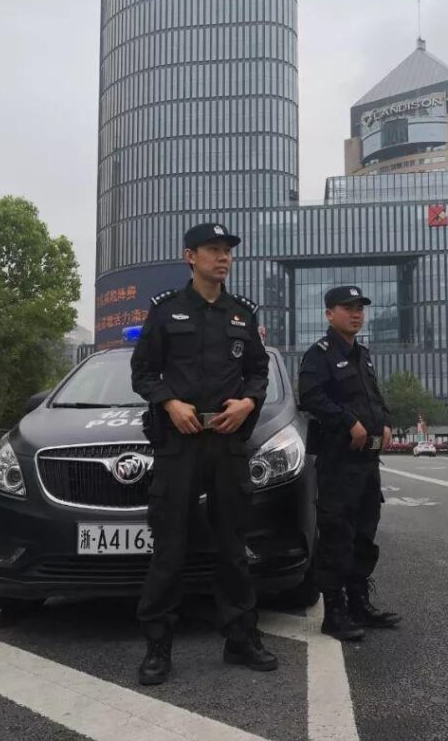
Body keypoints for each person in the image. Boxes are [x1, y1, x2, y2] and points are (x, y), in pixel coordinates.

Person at [130, 221, 275, 685]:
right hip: (180, 445)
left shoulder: (242, 314)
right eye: (213, 250)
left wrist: (249, 401)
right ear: (190, 256)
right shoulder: (165, 311)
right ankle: (158, 647)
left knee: (233, 547)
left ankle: (240, 639)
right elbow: (143, 372)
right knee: (170, 547)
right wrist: (169, 403)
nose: (224, 257)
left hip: (227, 443)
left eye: (227, 250)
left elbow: (258, 370)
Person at [298, 285, 402, 641]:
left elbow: (374, 396)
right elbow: (311, 397)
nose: (356, 313)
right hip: (338, 461)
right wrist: (347, 421)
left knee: (363, 535)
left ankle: (359, 604)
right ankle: (335, 612)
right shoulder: (320, 355)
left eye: (359, 308)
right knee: (336, 537)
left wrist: (385, 421)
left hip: (367, 463)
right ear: (329, 314)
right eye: (348, 308)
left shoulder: (363, 355)